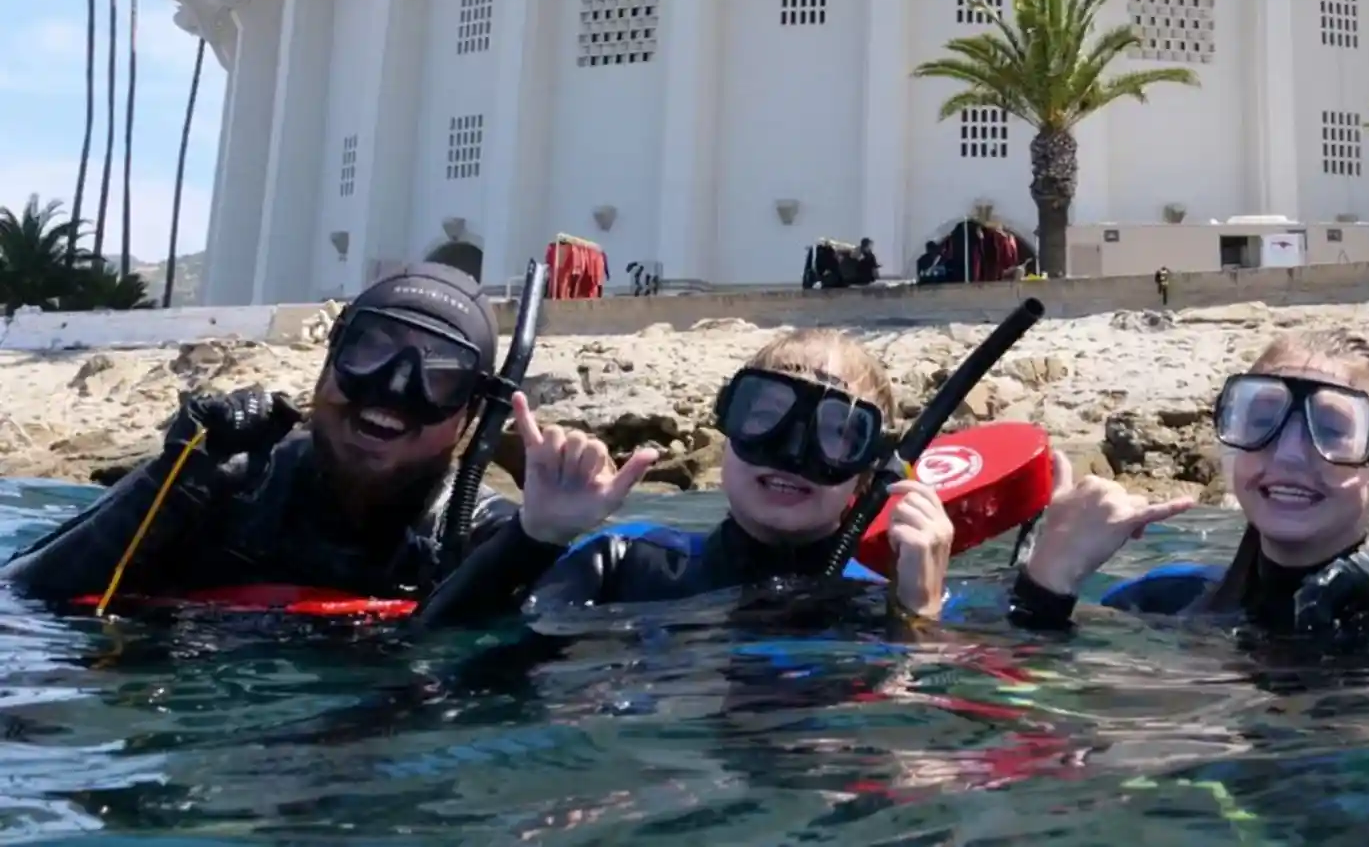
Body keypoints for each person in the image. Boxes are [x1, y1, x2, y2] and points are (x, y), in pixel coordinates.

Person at [0, 263, 572, 614]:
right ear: (324, 366)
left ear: (471, 415)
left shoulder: (476, 535)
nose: (393, 390)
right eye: (370, 352)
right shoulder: (229, 481)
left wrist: (544, 535)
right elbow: (21, 593)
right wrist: (169, 484)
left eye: (439, 375)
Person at [1007, 331, 1369, 636]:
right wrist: (1049, 579)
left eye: (1331, 431)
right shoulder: (1161, 601)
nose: (1286, 454)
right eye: (1260, 420)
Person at [457, 328, 956, 621]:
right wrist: (535, 537)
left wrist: (920, 619)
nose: (789, 451)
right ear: (725, 427)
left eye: (837, 432)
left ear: (867, 475)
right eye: (764, 415)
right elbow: (451, 653)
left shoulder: (888, 604)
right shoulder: (620, 563)